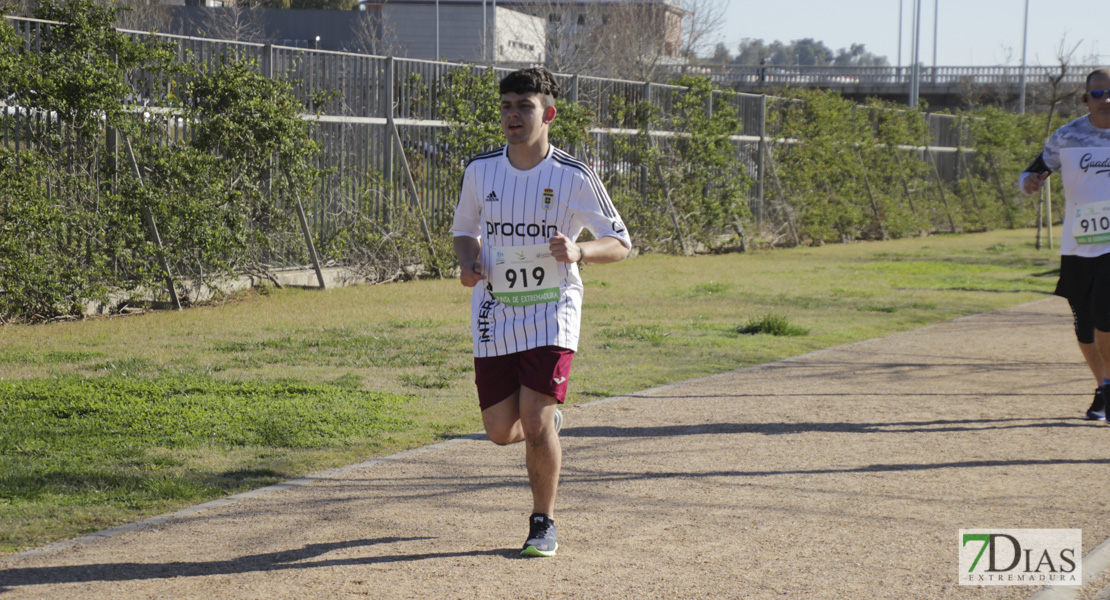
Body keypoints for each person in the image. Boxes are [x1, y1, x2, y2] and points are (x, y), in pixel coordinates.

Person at [451, 67, 632, 557]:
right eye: (507, 106)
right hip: (494, 310)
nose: (513, 115)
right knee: (499, 431)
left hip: (553, 310)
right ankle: (547, 428)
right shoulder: (480, 170)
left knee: (533, 418)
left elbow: (621, 244)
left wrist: (579, 252)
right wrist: (468, 262)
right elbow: (465, 229)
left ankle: (542, 522)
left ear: (548, 114)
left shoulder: (573, 176)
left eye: (524, 106)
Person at [1019, 67, 1110, 421]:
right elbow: (1035, 170)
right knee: (1085, 326)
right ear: (1085, 98)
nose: (1107, 100)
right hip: (1078, 242)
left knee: (1106, 310)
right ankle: (1103, 387)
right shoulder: (1068, 136)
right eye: (1099, 94)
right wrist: (1028, 183)